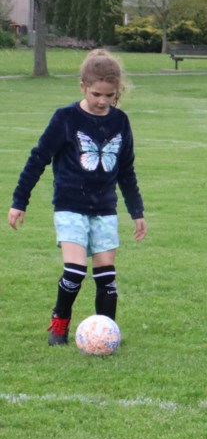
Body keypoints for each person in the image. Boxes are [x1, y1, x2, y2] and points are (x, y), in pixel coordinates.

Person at [8, 49, 147, 345]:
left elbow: (126, 170)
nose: (102, 101)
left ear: (116, 92)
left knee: (106, 277)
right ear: (82, 86)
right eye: (96, 93)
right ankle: (59, 324)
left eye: (109, 95)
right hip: (70, 207)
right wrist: (19, 202)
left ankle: (106, 333)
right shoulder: (65, 118)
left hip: (105, 209)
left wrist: (137, 211)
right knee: (75, 270)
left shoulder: (120, 122)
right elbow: (38, 159)